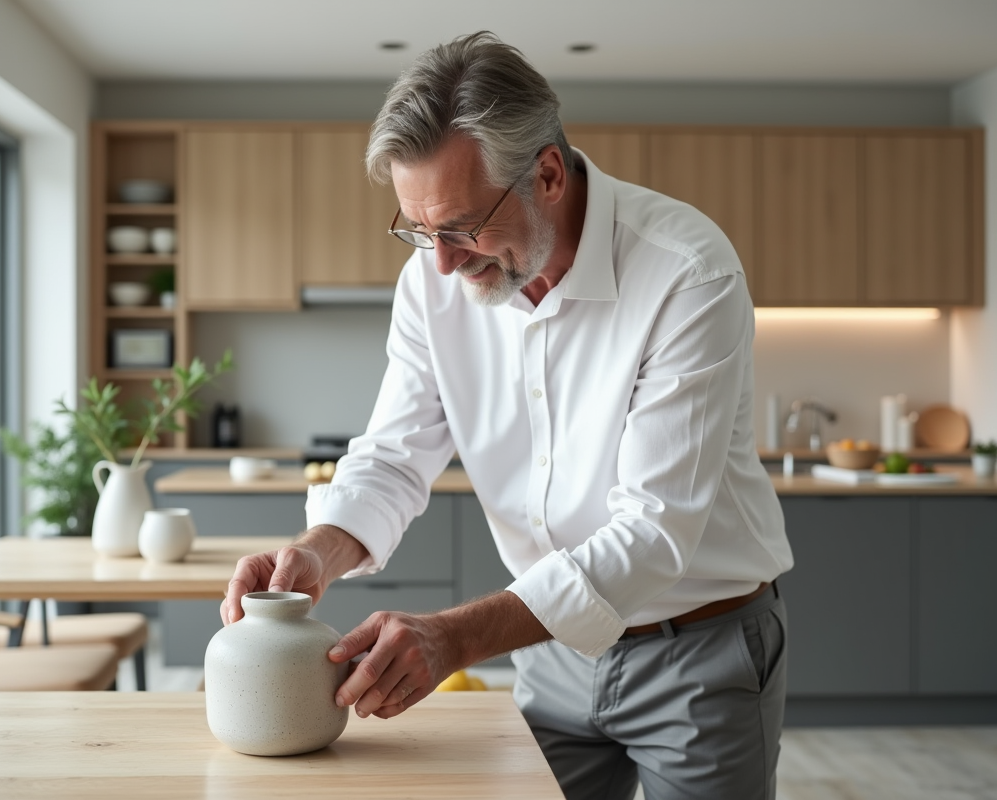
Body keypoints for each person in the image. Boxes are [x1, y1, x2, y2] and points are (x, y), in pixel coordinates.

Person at [223, 31, 793, 800]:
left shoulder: (686, 272)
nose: (443, 262)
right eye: (419, 230)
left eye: (461, 226)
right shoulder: (432, 281)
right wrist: (317, 551)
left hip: (698, 650)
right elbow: (395, 454)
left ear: (547, 174)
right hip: (549, 650)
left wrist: (455, 636)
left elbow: (653, 531)